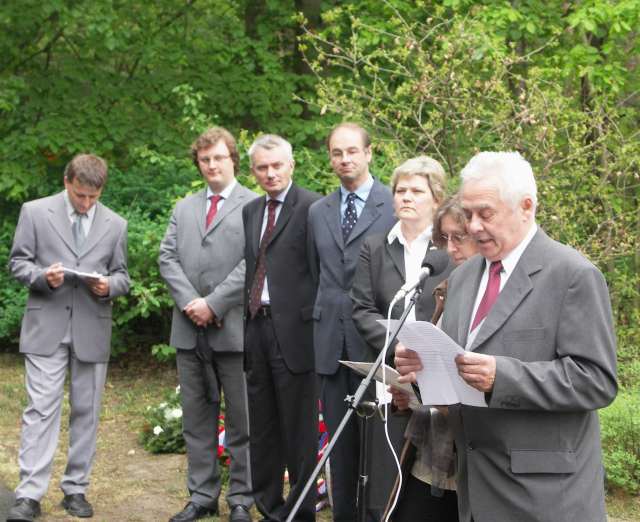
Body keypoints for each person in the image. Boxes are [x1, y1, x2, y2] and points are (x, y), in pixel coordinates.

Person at [395, 151, 618, 522]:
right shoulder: (463, 278)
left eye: (486, 213)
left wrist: (503, 377)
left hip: (545, 496)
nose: (474, 226)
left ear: (526, 207)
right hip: (475, 489)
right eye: (468, 214)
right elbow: (456, 372)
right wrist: (421, 373)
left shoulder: (572, 275)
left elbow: (596, 381)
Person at [7, 154, 130, 521]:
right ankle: (29, 495)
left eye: (93, 197)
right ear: (67, 182)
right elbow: (18, 264)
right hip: (46, 327)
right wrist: (43, 277)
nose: (86, 203)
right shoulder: (34, 212)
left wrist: (108, 286)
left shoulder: (116, 224)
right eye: (80, 195)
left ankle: (76, 489)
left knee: (86, 412)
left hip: (92, 328)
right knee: (40, 410)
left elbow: (123, 276)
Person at [159, 127, 256, 522]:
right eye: (205, 159)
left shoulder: (254, 206)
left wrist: (213, 304)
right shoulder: (184, 208)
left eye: (218, 157)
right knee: (196, 419)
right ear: (197, 163)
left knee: (242, 420)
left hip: (235, 331)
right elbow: (167, 258)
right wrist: (191, 304)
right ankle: (201, 496)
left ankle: (242, 498)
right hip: (189, 330)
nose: (212, 165)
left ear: (233, 159)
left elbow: (254, 262)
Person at [350, 156, 453, 519]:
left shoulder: (449, 250)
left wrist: (427, 350)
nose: (406, 197)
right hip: (390, 373)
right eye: (400, 190)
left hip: (438, 374)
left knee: (424, 472)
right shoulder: (375, 246)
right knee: (383, 470)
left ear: (436, 199)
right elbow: (363, 309)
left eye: (416, 191)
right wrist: (400, 347)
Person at [308, 122, 396, 522]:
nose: (344, 159)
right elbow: (316, 273)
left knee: (375, 446)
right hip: (330, 342)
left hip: (374, 343)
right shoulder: (318, 212)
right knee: (339, 445)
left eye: (352, 151)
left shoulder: (392, 204)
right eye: (337, 153)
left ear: (369, 153)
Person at [385, 196, 479, 522]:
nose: (451, 248)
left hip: (472, 454)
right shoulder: (445, 289)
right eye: (445, 238)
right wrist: (408, 394)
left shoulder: (498, 296)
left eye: (459, 237)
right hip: (430, 451)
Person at [242, 134, 321, 522]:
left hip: (295, 333)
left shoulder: (313, 207)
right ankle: (269, 507)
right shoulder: (251, 211)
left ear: (291, 165)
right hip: (256, 327)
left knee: (299, 429)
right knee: (262, 427)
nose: (270, 173)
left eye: (277, 166)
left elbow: (319, 271)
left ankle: (300, 511)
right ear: (253, 171)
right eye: (262, 167)